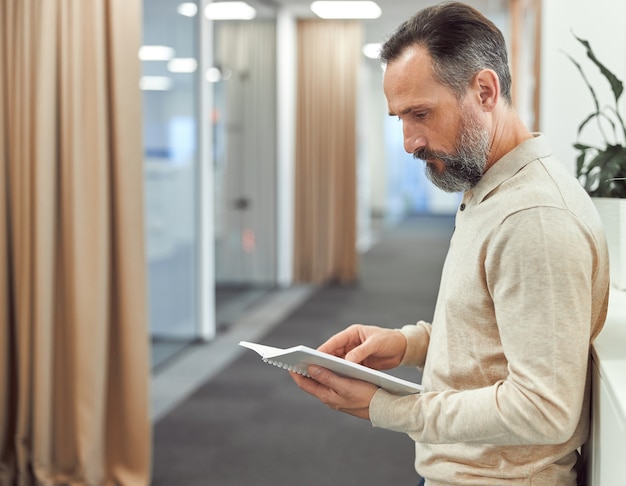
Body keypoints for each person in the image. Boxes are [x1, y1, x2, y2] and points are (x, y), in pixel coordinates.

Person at [290, 2, 610, 485]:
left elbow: (544, 409)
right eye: (399, 117)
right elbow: (496, 336)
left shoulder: (534, 218)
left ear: (484, 90)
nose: (409, 142)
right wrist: (407, 343)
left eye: (420, 113)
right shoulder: (490, 189)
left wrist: (387, 408)